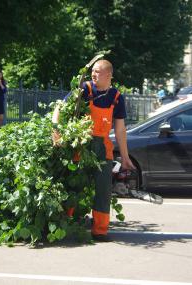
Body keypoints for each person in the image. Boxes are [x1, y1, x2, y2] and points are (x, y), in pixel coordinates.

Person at [52, 59, 135, 242]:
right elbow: (59, 107)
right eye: (93, 71)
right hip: (82, 144)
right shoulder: (84, 90)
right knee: (74, 185)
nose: (93, 74)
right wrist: (55, 130)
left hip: (103, 148)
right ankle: (67, 224)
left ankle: (100, 230)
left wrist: (125, 156)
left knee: (104, 189)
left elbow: (120, 129)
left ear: (108, 75)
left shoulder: (116, 97)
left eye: (97, 71)